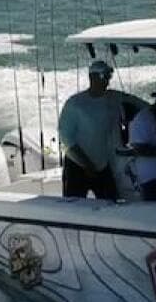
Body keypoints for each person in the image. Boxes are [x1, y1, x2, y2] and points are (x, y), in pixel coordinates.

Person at [57, 58, 148, 199]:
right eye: (104, 76)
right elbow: (66, 138)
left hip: (102, 165)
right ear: (92, 77)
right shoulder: (75, 104)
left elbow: (139, 103)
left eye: (109, 77)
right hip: (77, 166)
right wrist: (86, 164)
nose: (107, 81)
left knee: (112, 203)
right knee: (73, 208)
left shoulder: (113, 97)